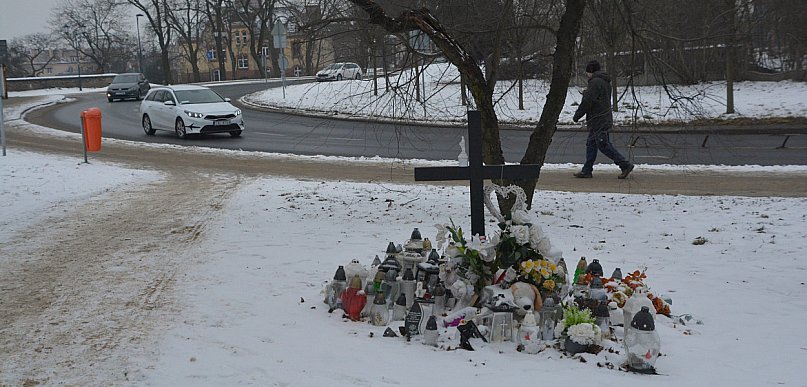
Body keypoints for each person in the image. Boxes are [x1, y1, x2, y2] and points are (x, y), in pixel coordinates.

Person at [572, 60, 634, 179]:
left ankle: (624, 165)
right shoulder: (604, 81)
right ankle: (587, 170)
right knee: (591, 144)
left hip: (598, 119)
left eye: (587, 72)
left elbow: (588, 102)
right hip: (602, 118)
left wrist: (577, 115)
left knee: (603, 145)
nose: (586, 75)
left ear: (591, 71)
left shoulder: (595, 82)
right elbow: (598, 98)